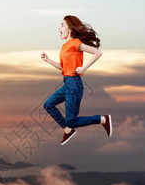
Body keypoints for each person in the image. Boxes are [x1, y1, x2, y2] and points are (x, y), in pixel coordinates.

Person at [41, 15, 112, 145]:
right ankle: (68, 130)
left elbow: (97, 52)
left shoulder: (76, 43)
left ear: (70, 29)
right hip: (67, 83)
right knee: (48, 105)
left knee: (72, 120)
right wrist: (48, 60)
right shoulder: (64, 47)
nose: (59, 28)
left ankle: (102, 119)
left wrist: (84, 67)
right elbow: (63, 67)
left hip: (74, 84)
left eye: (62, 25)